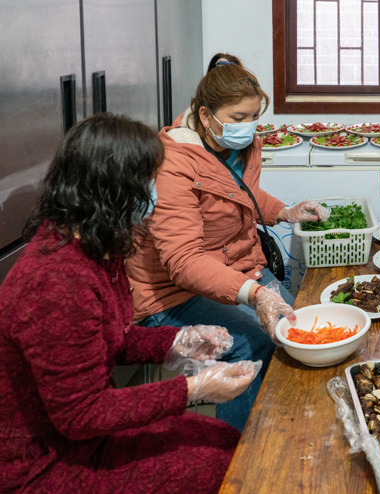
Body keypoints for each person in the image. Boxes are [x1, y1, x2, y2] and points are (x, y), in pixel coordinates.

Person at [0, 113, 260, 493]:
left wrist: (174, 341)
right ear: (114, 189)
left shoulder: (96, 248)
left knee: (220, 439)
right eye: (149, 181)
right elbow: (82, 414)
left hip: (80, 438)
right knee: (216, 465)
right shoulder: (54, 281)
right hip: (42, 461)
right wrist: (193, 389)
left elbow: (108, 338)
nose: (157, 192)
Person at [125, 62, 326, 432]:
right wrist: (254, 293)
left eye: (254, 117)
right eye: (238, 117)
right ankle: (239, 455)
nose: (248, 126)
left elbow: (238, 195)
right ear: (205, 115)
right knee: (253, 344)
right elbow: (184, 262)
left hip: (235, 270)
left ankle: (279, 430)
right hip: (172, 293)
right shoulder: (172, 163)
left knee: (293, 330)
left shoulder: (241, 146)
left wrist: (283, 211)